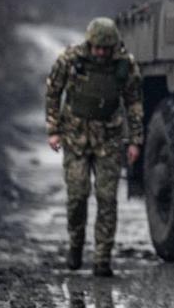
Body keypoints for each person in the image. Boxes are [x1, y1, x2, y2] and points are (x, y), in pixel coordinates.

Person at [45, 17, 144, 277]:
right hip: (75, 138)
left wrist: (135, 140)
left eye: (105, 49)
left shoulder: (124, 65)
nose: (101, 53)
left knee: (107, 200)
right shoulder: (70, 59)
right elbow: (53, 92)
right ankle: (76, 245)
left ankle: (102, 258)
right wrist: (53, 130)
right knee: (77, 196)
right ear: (90, 44)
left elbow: (134, 103)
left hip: (109, 140)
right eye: (97, 48)